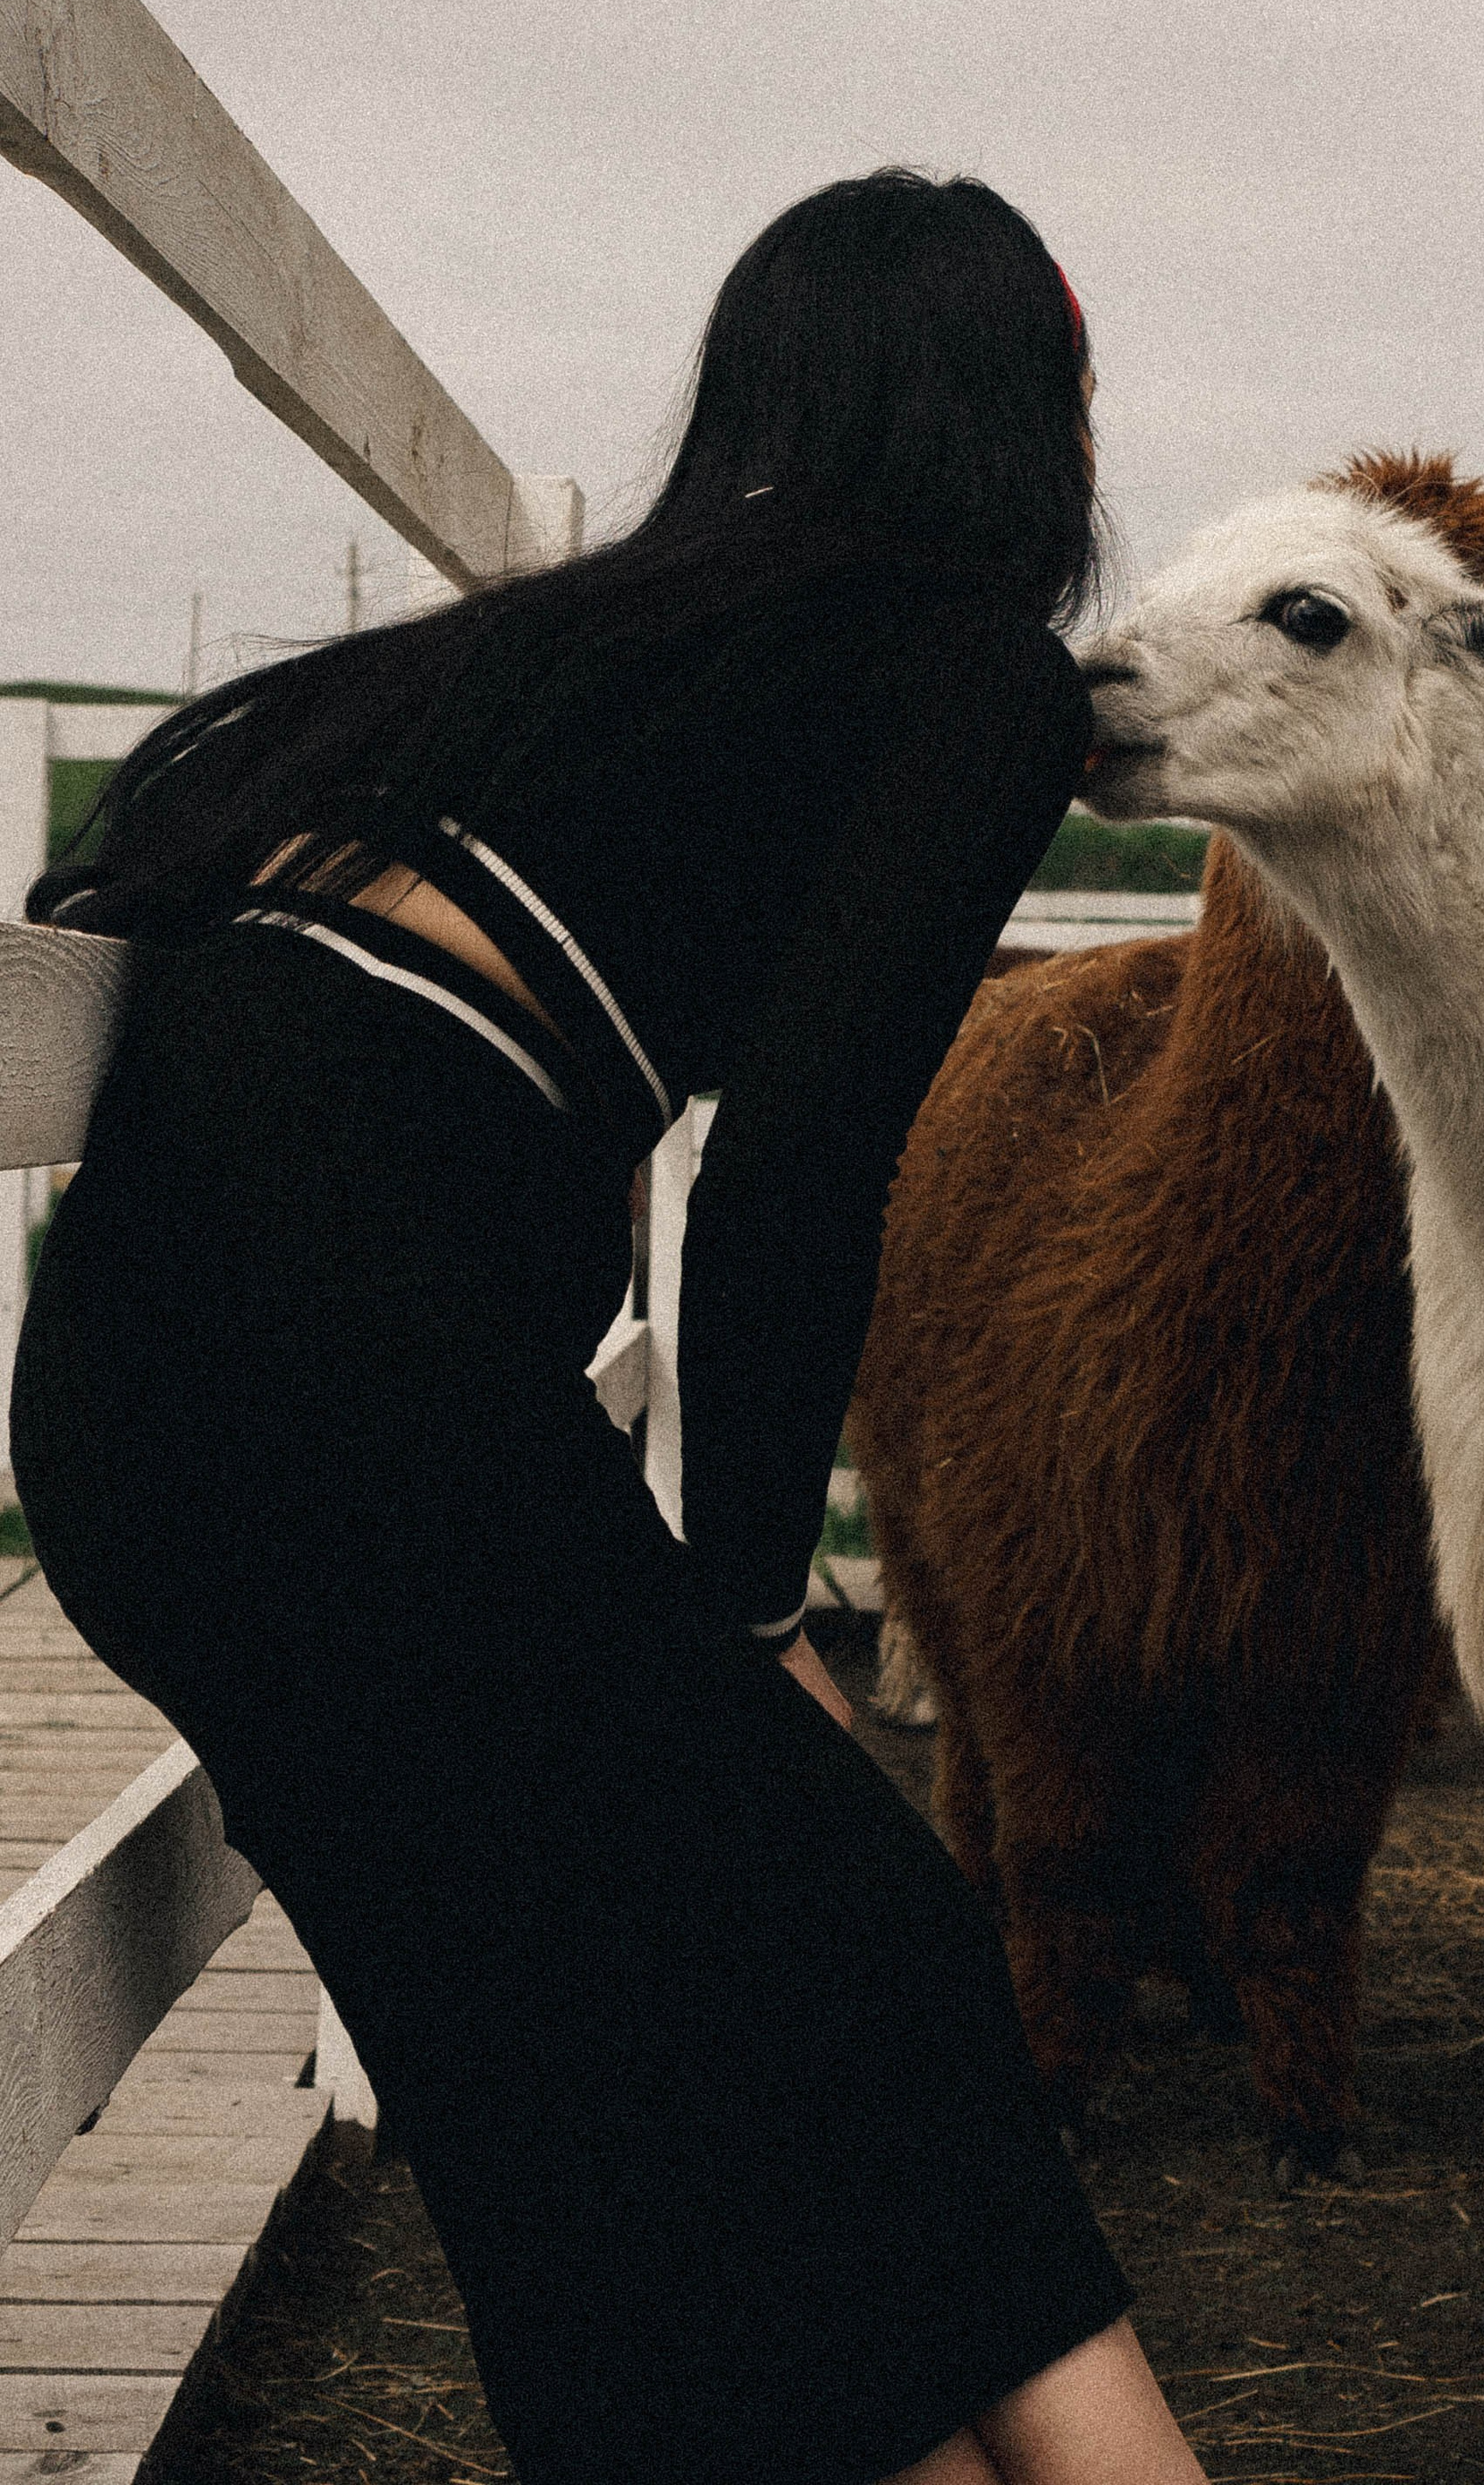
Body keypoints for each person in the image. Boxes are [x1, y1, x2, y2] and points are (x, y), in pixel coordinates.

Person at [12, 171, 1207, 2485]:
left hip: (126, 1407)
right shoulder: (968, 672)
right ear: (1028, 421)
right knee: (848, 1945)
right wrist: (757, 1596)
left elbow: (153, 835)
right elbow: (797, 1172)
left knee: (563, 2067)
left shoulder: (572, 652)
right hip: (358, 1380)